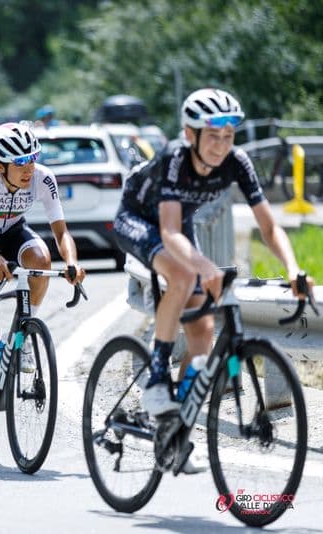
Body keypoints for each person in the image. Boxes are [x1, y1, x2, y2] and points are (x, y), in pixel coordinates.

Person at [113, 88, 314, 418]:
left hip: (181, 220)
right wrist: (205, 267)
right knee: (183, 274)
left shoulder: (237, 162)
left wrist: (292, 268)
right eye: (212, 136)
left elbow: (269, 227)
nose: (222, 145)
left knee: (203, 332)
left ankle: (175, 425)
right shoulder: (174, 158)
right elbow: (168, 233)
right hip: (138, 219)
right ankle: (158, 379)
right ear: (191, 134)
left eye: (228, 135)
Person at [0, 122, 86, 444]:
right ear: (0, 165)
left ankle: (25, 331)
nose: (28, 168)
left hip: (14, 231)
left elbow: (61, 232)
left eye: (32, 158)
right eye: (19, 162)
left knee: (42, 261)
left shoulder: (43, 177)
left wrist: (71, 262)